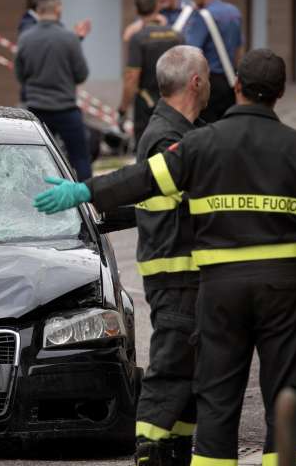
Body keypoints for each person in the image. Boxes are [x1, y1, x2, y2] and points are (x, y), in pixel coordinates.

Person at [33, 48, 296, 466]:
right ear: (282, 92)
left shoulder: (202, 143)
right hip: (283, 286)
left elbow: (142, 179)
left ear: (237, 86)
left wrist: (84, 191)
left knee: (216, 392)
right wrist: (281, 230)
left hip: (219, 289)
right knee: (285, 389)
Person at [132, 46, 208, 466]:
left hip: (185, 275)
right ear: (196, 82)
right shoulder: (168, 138)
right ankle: (151, 452)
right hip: (177, 276)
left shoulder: (179, 131)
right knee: (172, 369)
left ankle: (176, 449)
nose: (211, 81)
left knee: (190, 376)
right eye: (208, 75)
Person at [15, 0, 92, 180]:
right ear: (58, 10)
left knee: (33, 160)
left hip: (36, 109)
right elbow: (82, 74)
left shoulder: (26, 38)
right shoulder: (70, 38)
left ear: (38, 11)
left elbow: (20, 75)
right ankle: (87, 202)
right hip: (66, 108)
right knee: (80, 158)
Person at [119, 0, 182, 144]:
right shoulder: (176, 35)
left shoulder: (138, 38)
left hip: (146, 105)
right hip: (174, 102)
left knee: (146, 150)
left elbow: (132, 77)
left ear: (137, 11)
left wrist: (123, 108)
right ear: (157, 8)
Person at [184, 0, 243, 122]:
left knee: (207, 130)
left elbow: (191, 53)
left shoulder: (202, 16)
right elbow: (239, 49)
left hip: (209, 82)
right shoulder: (234, 12)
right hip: (230, 80)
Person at [18, 0, 92, 106]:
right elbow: (81, 74)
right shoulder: (29, 28)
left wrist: (75, 39)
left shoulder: (27, 34)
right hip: (57, 103)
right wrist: (73, 39)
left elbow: (21, 73)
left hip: (34, 101)